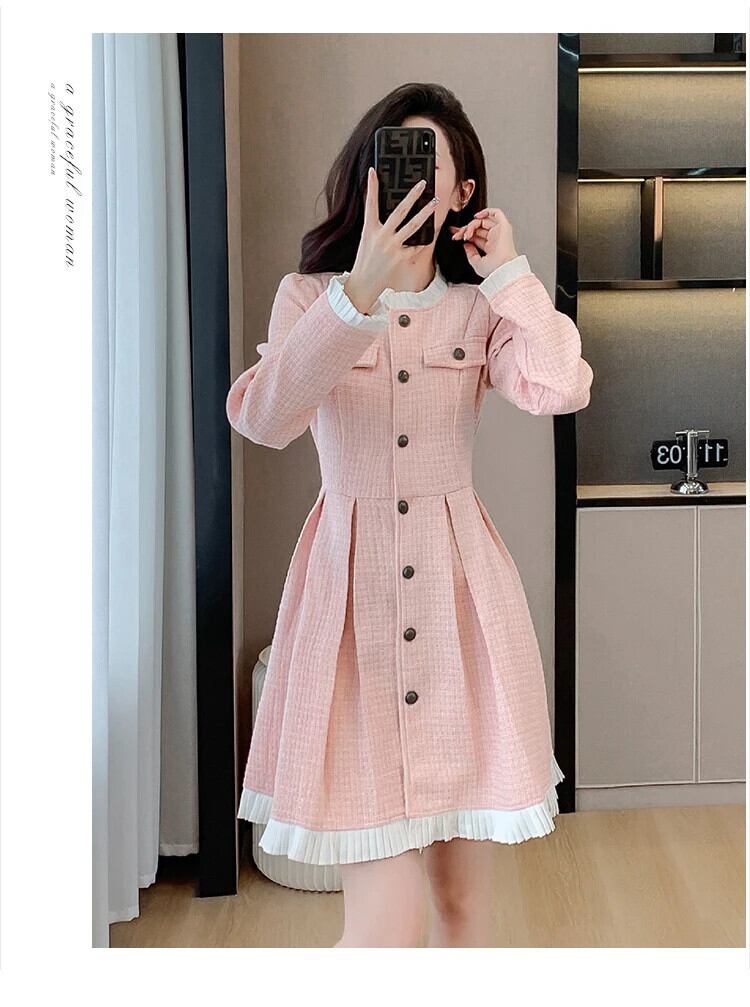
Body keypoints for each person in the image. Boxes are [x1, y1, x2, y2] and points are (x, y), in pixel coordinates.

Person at [226, 82, 594, 947]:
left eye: (434, 168)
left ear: (464, 191)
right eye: (396, 161)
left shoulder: (479, 306)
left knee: (463, 913)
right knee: (384, 932)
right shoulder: (308, 297)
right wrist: (358, 291)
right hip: (351, 626)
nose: (412, 182)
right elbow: (264, 418)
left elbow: (562, 384)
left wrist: (510, 273)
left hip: (463, 620)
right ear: (367, 178)